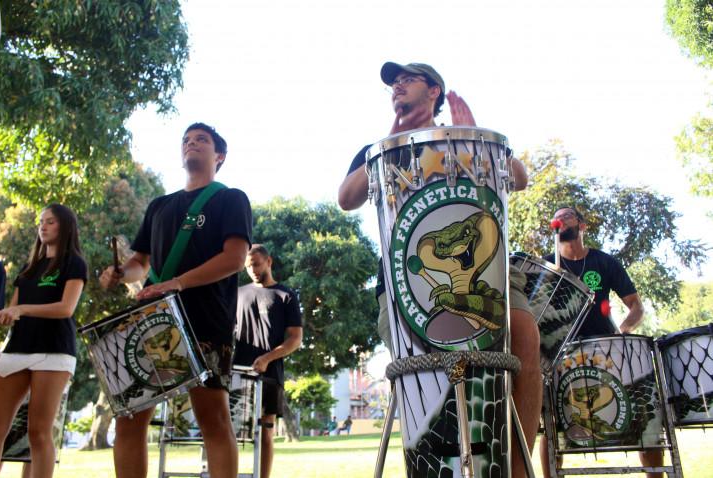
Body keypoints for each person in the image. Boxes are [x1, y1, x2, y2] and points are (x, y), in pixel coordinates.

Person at [338, 61, 541, 478]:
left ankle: (520, 466)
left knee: (524, 333)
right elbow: (346, 197)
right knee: (425, 372)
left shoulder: (467, 138)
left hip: (490, 271)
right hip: (402, 283)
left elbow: (519, 179)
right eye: (393, 83)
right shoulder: (376, 148)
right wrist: (391, 139)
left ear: (434, 91)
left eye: (407, 79)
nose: (397, 86)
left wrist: (482, 139)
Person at [100, 122, 252, 478]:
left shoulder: (230, 198)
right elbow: (141, 263)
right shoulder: (160, 206)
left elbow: (234, 258)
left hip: (205, 321)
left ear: (220, 156)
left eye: (201, 140)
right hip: (150, 322)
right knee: (129, 419)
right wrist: (123, 273)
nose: (192, 144)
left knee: (212, 420)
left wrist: (178, 283)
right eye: (186, 140)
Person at [540, 205, 661, 478]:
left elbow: (636, 306)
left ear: (582, 226)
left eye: (567, 215)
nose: (560, 219)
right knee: (553, 425)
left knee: (644, 416)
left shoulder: (604, 262)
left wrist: (625, 328)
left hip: (607, 349)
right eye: (556, 217)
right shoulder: (547, 265)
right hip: (562, 353)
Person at [0, 204, 87, 478]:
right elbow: (11, 313)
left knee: (38, 431)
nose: (43, 226)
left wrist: (22, 310)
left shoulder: (75, 263)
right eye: (41, 222)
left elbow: (65, 309)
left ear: (65, 226)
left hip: (54, 351)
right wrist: (4, 314)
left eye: (50, 221)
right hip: (17, 350)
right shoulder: (28, 268)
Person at [234, 244, 303, 478]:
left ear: (269, 262)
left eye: (256, 263)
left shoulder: (286, 295)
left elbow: (295, 339)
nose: (252, 269)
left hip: (270, 375)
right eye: (247, 266)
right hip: (237, 373)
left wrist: (267, 358)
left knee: (265, 433)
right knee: (231, 431)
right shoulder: (238, 294)